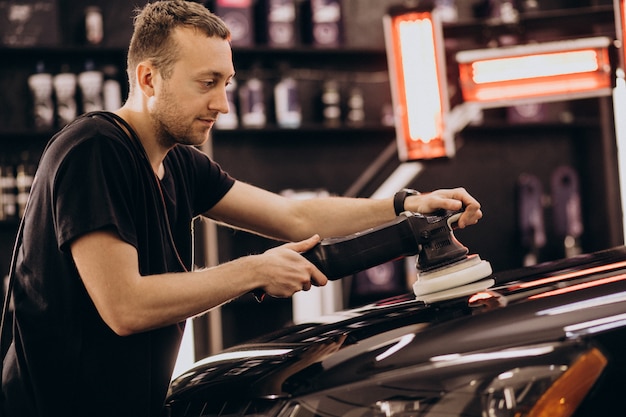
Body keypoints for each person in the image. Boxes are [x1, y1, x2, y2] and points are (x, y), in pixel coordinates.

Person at [1, 1, 483, 416]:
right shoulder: (94, 150)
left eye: (227, 83)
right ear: (148, 78)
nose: (223, 104)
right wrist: (255, 271)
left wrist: (406, 204)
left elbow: (294, 217)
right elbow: (125, 306)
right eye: (207, 83)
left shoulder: (182, 166)